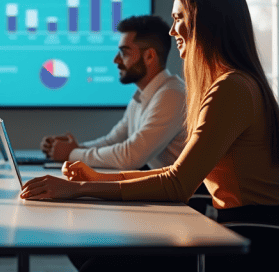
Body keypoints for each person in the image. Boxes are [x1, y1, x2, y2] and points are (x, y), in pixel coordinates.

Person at [21, 0, 279, 272]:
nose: (172, 30)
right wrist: (95, 177)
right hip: (238, 232)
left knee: (98, 269)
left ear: (207, 23)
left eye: (180, 18)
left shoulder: (230, 89)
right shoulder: (232, 84)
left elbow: (177, 184)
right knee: (96, 259)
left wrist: (80, 189)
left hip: (254, 245)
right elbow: (176, 171)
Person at [40, 15, 186, 170]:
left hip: (192, 193)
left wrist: (72, 154)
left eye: (124, 52)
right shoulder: (142, 96)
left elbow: (130, 156)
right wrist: (72, 148)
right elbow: (113, 141)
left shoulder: (172, 95)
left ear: (149, 56)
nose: (116, 60)